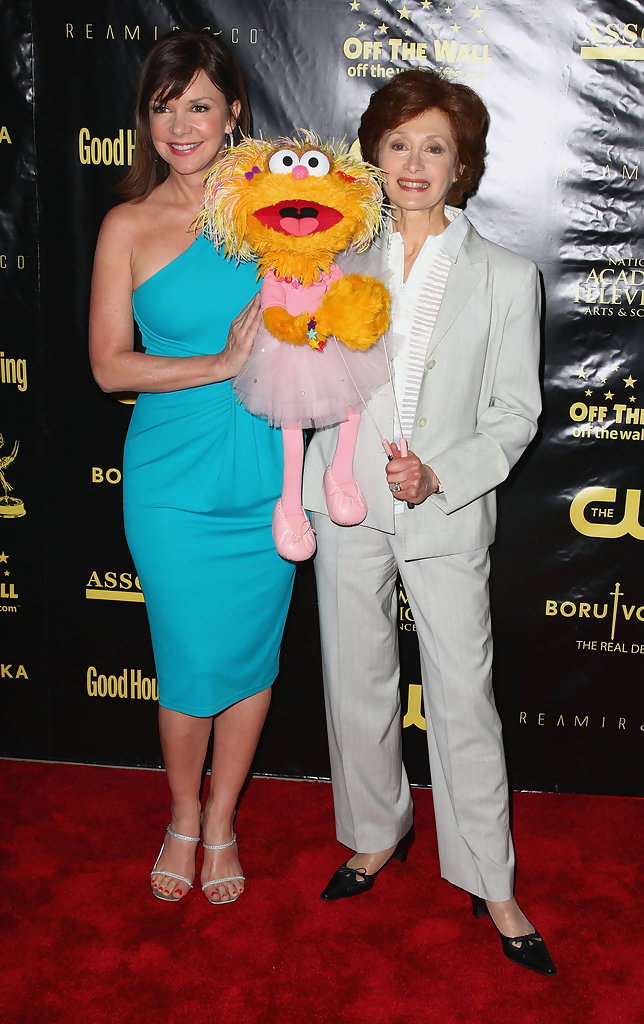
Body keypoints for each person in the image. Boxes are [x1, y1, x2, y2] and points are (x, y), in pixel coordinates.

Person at [303, 69, 556, 975]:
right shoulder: (332, 257)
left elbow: (516, 414)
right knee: (356, 680)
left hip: (447, 507)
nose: (415, 162)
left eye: (435, 147)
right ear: (374, 155)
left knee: (463, 697)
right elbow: (305, 376)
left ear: (462, 165)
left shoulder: (508, 276)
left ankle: (492, 879)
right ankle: (376, 832)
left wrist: (441, 473)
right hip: (345, 497)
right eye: (399, 143)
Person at [89, 30, 295, 906]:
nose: (180, 125)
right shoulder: (127, 225)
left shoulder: (278, 215)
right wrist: (218, 362)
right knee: (185, 661)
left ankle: (222, 821)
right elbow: (109, 367)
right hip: (171, 479)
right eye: (163, 107)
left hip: (267, 472)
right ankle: (182, 815)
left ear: (233, 113)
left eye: (200, 105)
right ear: (145, 120)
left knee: (251, 659)